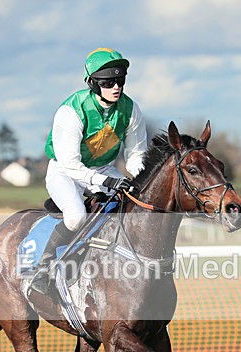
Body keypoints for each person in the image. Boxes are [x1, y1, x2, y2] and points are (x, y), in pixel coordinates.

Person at [29, 47, 148, 295]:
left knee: (134, 202)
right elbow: (71, 164)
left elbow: (136, 154)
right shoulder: (71, 110)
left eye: (120, 80)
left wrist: (138, 179)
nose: (116, 87)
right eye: (108, 82)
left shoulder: (130, 109)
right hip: (65, 171)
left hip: (103, 168)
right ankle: (43, 267)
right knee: (76, 217)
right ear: (92, 83)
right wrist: (105, 181)